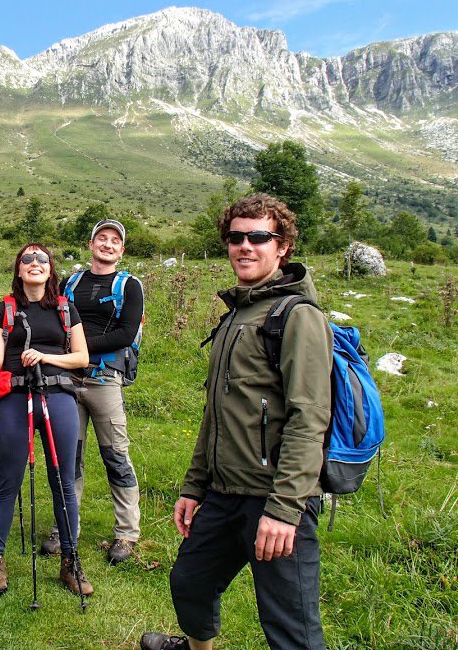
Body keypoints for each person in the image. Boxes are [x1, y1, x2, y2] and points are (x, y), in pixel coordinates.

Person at [141, 193, 334, 650]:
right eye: (235, 237)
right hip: (225, 494)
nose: (244, 246)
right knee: (189, 581)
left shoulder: (298, 317)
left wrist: (286, 510)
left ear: (282, 245)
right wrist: (194, 486)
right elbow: (218, 412)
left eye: (258, 237)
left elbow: (310, 418)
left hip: (275, 497)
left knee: (292, 629)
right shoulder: (239, 313)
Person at [0, 243, 93, 597]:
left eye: (42, 259)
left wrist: (47, 356)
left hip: (59, 397)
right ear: (19, 270)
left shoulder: (66, 309)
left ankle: (70, 561)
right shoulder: (2, 308)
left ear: (51, 270)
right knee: (8, 481)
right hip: (16, 399)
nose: (35, 263)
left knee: (63, 481)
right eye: (27, 260)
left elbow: (81, 357)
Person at [41, 219, 144, 565]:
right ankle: (65, 527)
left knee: (115, 455)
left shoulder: (130, 286)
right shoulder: (72, 282)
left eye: (115, 241)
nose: (108, 244)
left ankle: (127, 533)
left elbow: (126, 334)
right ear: (91, 244)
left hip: (104, 381)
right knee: (69, 456)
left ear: (122, 250)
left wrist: (77, 351)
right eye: (103, 238)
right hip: (67, 381)